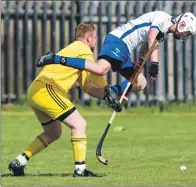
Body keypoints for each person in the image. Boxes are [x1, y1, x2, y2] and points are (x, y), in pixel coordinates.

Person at [8, 24, 123, 177]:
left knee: (53, 133)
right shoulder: (83, 50)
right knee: (79, 124)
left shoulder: (72, 50)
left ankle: (19, 161)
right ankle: (80, 170)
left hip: (36, 91)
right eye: (95, 38)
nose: (96, 42)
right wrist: (111, 91)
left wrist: (106, 96)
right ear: (88, 38)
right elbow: (97, 76)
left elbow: (87, 86)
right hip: (47, 90)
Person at [37, 11, 196, 97]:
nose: (184, 36)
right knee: (100, 69)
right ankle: (55, 58)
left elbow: (145, 49)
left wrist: (140, 64)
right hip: (118, 40)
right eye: (186, 33)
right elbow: (151, 37)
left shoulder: (164, 33)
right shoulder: (163, 18)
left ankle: (112, 93)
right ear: (182, 24)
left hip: (126, 50)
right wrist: (155, 64)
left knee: (140, 82)